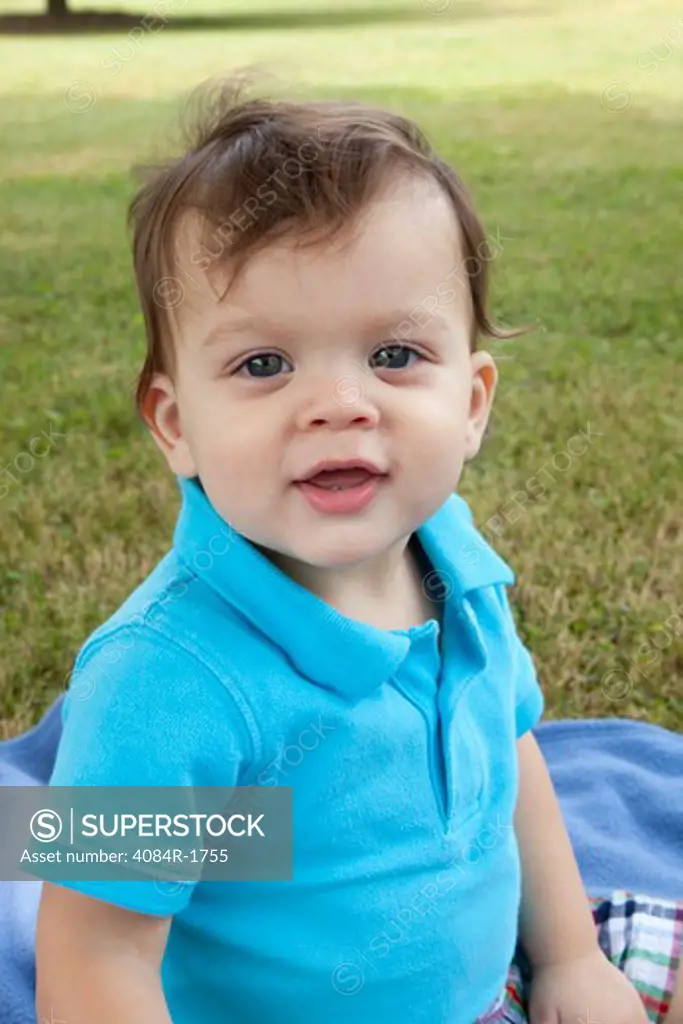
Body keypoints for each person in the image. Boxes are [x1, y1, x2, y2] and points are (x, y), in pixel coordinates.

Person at [34, 75, 683, 1024]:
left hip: (494, 985)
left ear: (470, 403)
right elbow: (94, 957)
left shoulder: (458, 571)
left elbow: (510, 755)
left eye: (394, 355)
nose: (340, 403)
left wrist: (574, 960)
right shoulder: (162, 680)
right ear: (177, 426)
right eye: (263, 365)